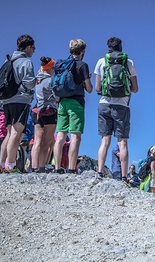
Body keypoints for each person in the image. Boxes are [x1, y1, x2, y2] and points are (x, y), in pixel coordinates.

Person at [94, 37, 138, 182]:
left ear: (108, 47)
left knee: (105, 141)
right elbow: (135, 89)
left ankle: (100, 172)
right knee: (122, 142)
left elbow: (97, 88)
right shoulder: (129, 62)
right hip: (122, 106)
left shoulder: (101, 62)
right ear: (121, 47)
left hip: (104, 104)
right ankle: (124, 176)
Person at [0, 35, 36, 174]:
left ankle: (0, 164)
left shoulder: (8, 61)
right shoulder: (26, 62)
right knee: (17, 132)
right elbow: (28, 82)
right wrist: (36, 82)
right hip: (21, 99)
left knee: (9, 132)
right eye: (33, 48)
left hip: (6, 101)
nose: (34, 51)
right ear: (28, 47)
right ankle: (11, 165)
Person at [53, 39, 93, 174]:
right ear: (82, 51)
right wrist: (87, 79)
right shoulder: (83, 65)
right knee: (75, 135)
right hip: (76, 102)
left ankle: (57, 167)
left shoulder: (62, 64)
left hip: (62, 102)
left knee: (60, 136)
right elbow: (89, 89)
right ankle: (71, 168)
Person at [31, 57, 58, 173]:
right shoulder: (51, 80)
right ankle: (41, 167)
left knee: (37, 141)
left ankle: (33, 167)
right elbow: (56, 96)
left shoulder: (36, 80)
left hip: (37, 110)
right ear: (50, 68)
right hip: (50, 111)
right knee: (46, 142)